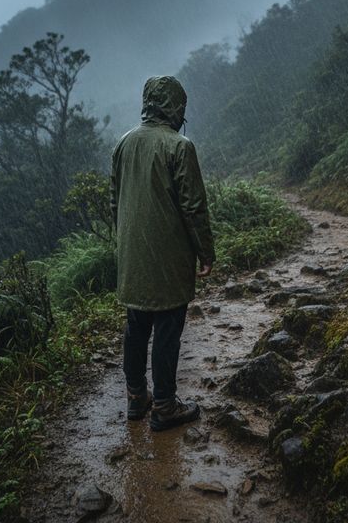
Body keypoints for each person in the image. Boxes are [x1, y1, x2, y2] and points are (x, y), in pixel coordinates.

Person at [110, 75, 216, 432]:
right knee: (168, 329)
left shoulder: (124, 143)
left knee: (136, 327)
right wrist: (205, 252)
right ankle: (165, 405)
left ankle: (136, 397)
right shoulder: (179, 146)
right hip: (168, 256)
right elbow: (193, 207)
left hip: (132, 255)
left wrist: (124, 246)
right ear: (177, 106)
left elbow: (116, 202)